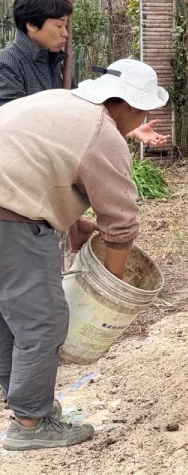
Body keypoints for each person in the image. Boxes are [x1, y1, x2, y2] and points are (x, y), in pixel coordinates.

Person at [0, 59, 167, 452]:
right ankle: (29, 423)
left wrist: (75, 230)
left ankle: (26, 399)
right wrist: (112, 283)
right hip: (11, 218)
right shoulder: (102, 133)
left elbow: (49, 173)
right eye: (142, 110)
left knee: (10, 313)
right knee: (44, 320)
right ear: (124, 103)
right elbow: (121, 223)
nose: (141, 119)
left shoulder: (62, 103)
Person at [0, 0, 170, 150]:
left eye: (66, 26)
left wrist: (126, 128)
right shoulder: (6, 64)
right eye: (59, 26)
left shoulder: (55, 64)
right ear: (32, 25)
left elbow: (81, 111)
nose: (65, 33)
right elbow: (12, 127)